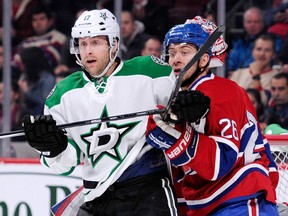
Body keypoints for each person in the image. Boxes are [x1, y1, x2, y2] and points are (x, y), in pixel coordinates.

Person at [21, 9, 178, 215]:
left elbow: (184, 114)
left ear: (113, 44)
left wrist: (184, 110)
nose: (87, 51)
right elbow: (65, 165)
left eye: (95, 43)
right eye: (83, 44)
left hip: (147, 189)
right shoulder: (62, 94)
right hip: (98, 197)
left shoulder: (151, 72)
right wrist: (53, 148)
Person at [146, 16, 279, 215]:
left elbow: (221, 162)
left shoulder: (221, 90)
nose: (176, 59)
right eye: (172, 53)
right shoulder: (176, 98)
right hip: (208, 205)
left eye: (184, 52)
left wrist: (178, 137)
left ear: (205, 59)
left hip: (240, 200)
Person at [226, 7, 282, 75]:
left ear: (262, 23)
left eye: (256, 22)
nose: (252, 25)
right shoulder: (239, 41)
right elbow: (231, 61)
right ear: (244, 24)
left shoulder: (273, 40)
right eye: (249, 22)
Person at [12, 5, 67, 70]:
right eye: (34, 20)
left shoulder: (58, 37)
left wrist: (25, 63)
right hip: (24, 77)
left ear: (50, 21)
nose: (38, 23)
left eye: (42, 19)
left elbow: (49, 60)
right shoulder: (27, 41)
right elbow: (14, 62)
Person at [229, 34, 279, 105]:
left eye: (267, 50)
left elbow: (264, 102)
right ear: (252, 52)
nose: (262, 54)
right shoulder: (238, 73)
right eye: (259, 49)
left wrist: (256, 76)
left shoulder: (277, 77)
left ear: (273, 54)